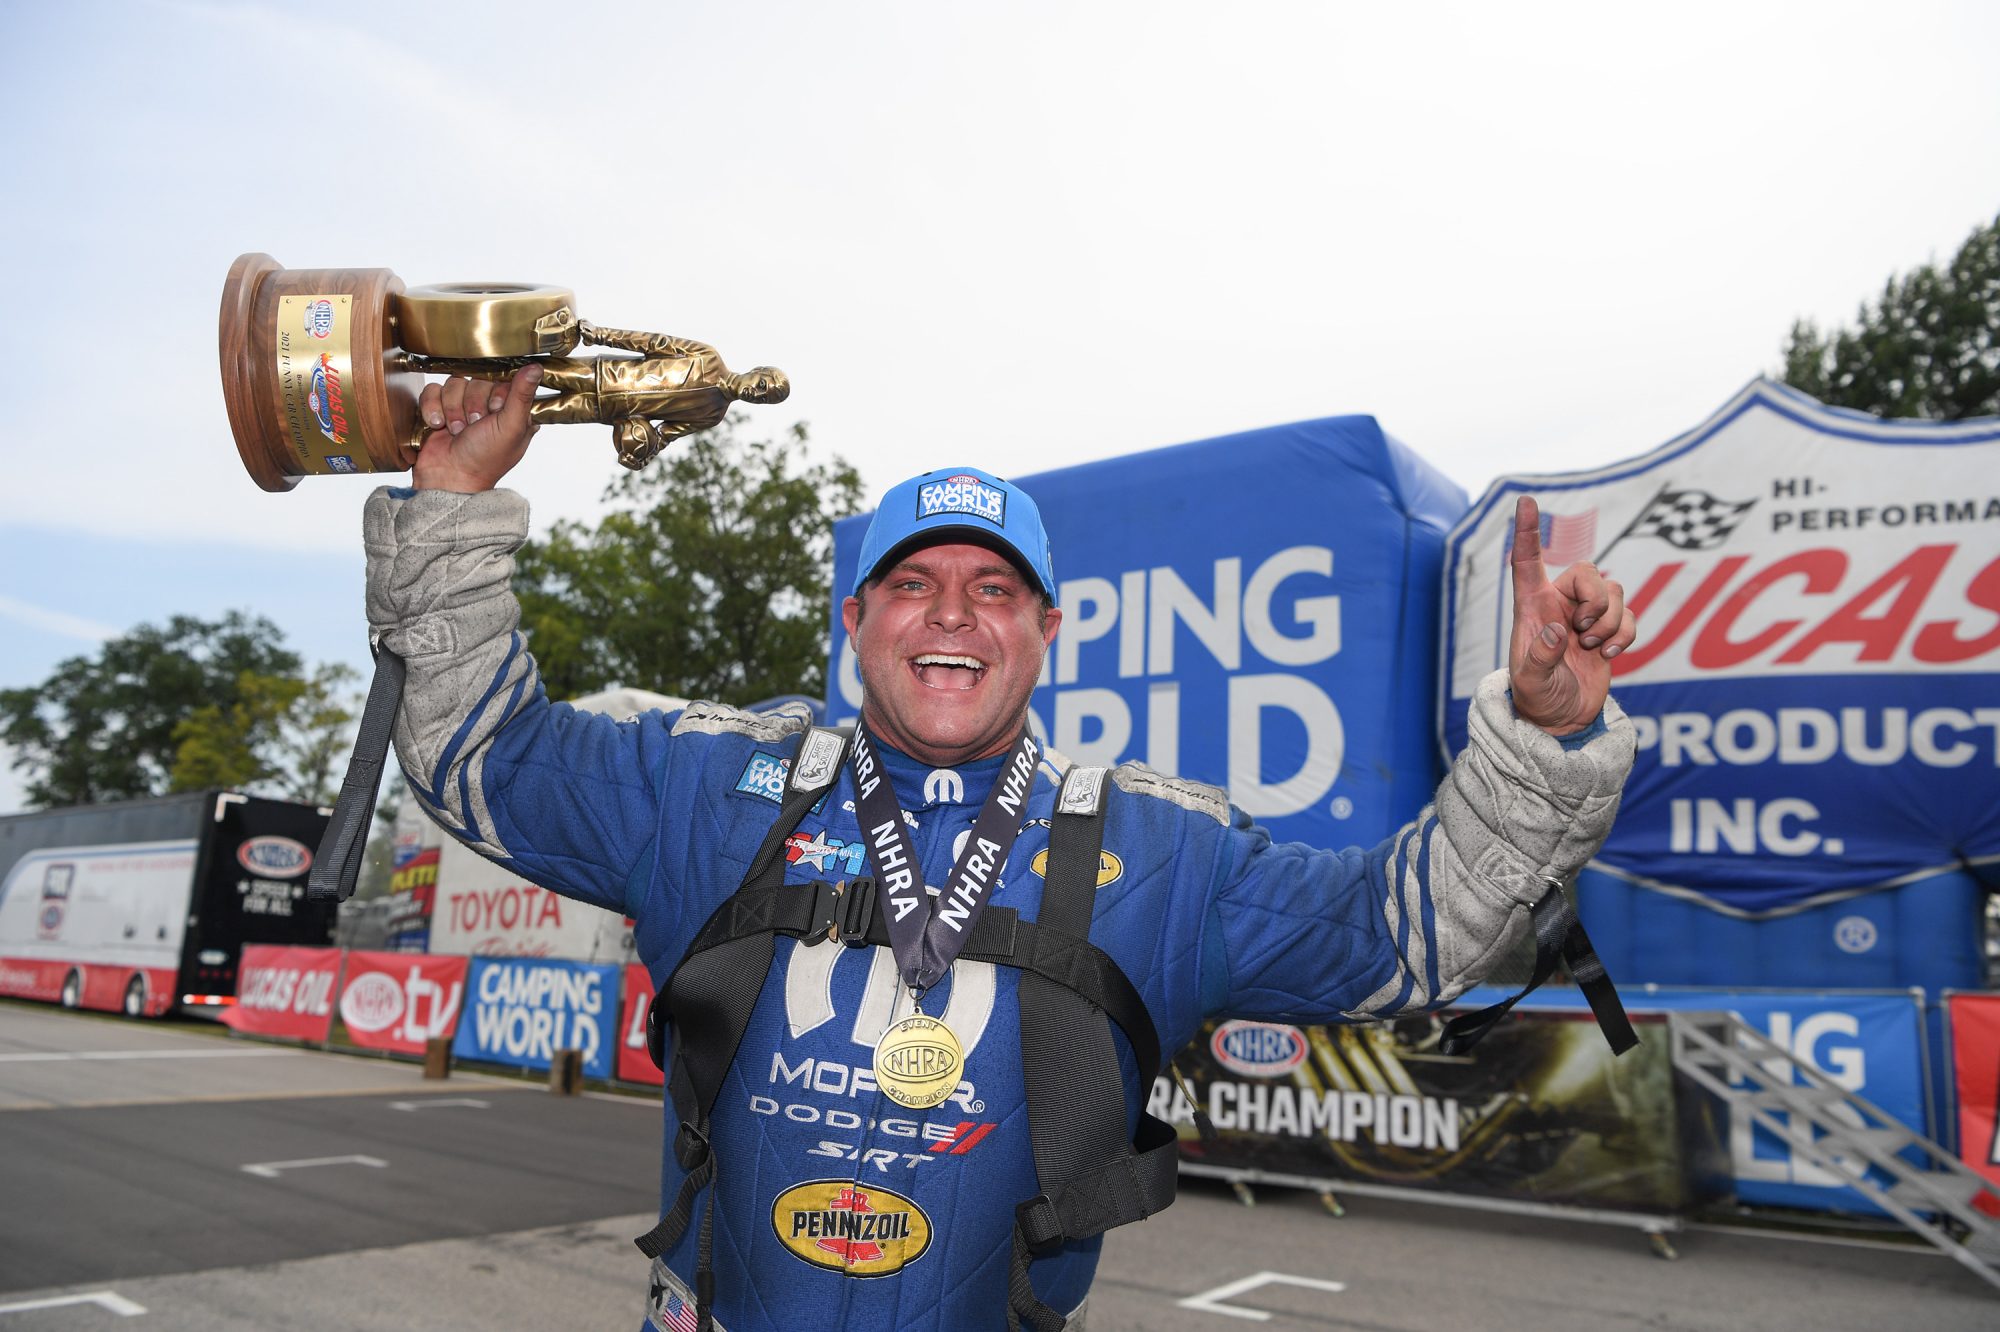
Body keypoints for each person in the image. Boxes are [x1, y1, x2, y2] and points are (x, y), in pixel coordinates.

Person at [370, 368, 1638, 1332]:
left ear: (1046, 629)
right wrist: (451, 510)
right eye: (914, 585)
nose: (951, 616)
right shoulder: (709, 785)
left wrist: (1542, 738)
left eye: (991, 589)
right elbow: (482, 756)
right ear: (857, 619)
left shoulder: (1159, 847)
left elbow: (1397, 932)